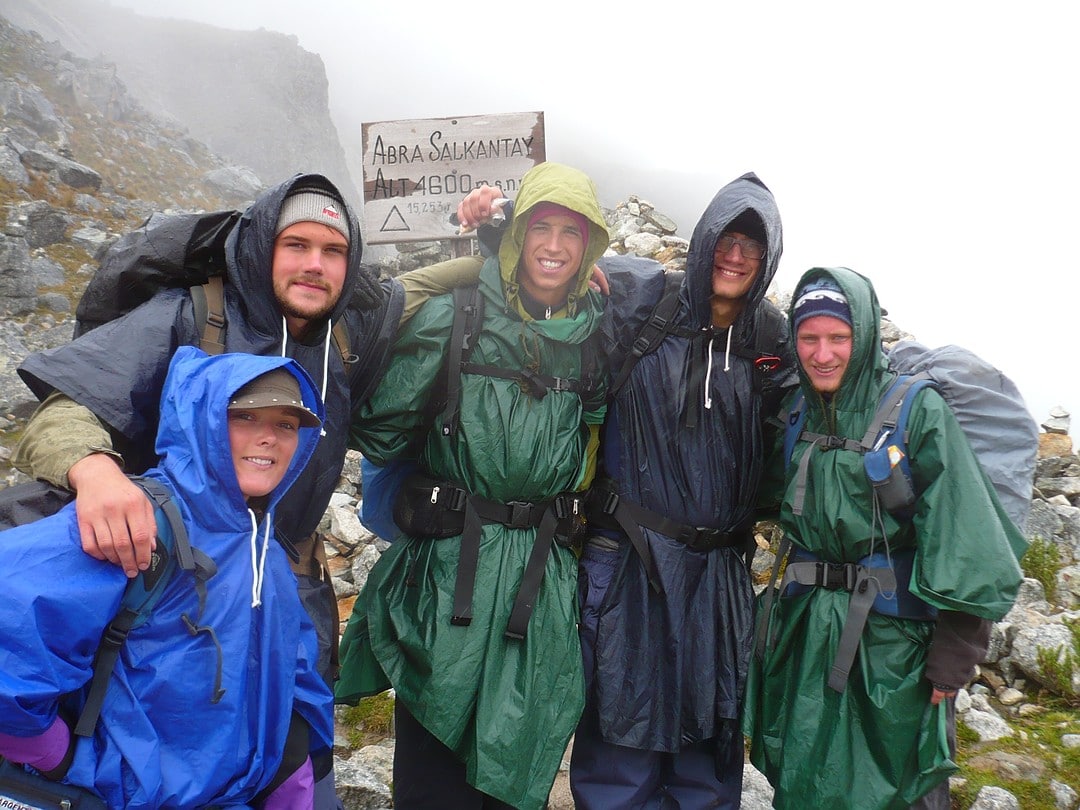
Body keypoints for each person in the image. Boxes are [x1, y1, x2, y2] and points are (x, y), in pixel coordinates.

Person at [10, 172, 402, 808]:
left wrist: (484, 248)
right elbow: (65, 408)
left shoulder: (346, 339)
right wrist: (96, 472)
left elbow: (415, 299)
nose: (314, 265)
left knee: (292, 754)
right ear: (260, 247)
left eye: (333, 252)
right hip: (167, 593)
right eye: (296, 245)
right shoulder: (194, 314)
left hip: (284, 585)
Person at [336, 161, 610, 810]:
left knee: (513, 759)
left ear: (589, 247)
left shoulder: (596, 337)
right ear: (515, 237)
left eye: (570, 235)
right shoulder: (458, 315)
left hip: (538, 587)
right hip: (449, 575)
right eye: (538, 228)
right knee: (436, 767)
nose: (552, 246)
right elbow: (380, 423)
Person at [0, 347, 333, 808]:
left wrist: (293, 779)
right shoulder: (138, 522)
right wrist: (58, 757)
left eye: (286, 425)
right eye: (245, 418)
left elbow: (293, 681)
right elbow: (11, 612)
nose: (269, 438)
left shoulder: (266, 550)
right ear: (204, 424)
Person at [743, 267, 1026, 809]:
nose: (822, 354)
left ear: (865, 336)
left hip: (896, 649)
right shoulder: (800, 414)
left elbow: (963, 536)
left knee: (895, 785)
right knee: (805, 775)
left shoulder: (918, 411)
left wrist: (954, 657)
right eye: (809, 338)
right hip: (808, 635)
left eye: (838, 338)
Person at [569, 172, 795, 808]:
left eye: (753, 245)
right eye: (726, 237)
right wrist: (500, 219)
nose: (735, 254)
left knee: (707, 743)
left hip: (718, 573)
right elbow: (547, 268)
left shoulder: (770, 341)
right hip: (627, 561)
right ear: (703, 241)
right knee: (621, 738)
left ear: (768, 259)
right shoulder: (644, 300)